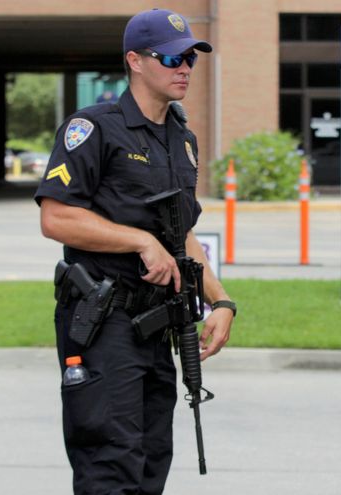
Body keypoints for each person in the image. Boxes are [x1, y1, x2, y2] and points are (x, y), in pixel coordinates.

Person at [34, 8, 235, 494]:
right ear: (136, 61)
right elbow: (55, 217)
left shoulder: (180, 138)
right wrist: (139, 240)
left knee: (150, 461)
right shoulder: (93, 128)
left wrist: (220, 299)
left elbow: (179, 232)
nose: (184, 67)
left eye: (190, 57)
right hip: (103, 321)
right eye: (171, 57)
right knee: (111, 461)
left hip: (157, 324)